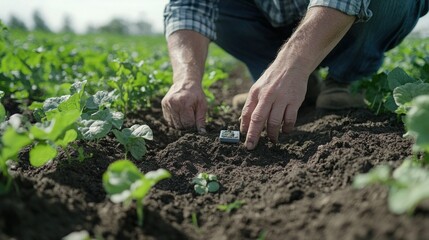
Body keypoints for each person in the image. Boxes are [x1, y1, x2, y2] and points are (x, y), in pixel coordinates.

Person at [161, 0, 429, 150]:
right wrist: (186, 79)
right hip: (278, 23)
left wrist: (293, 65)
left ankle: (346, 77)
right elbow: (188, 6)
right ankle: (292, 83)